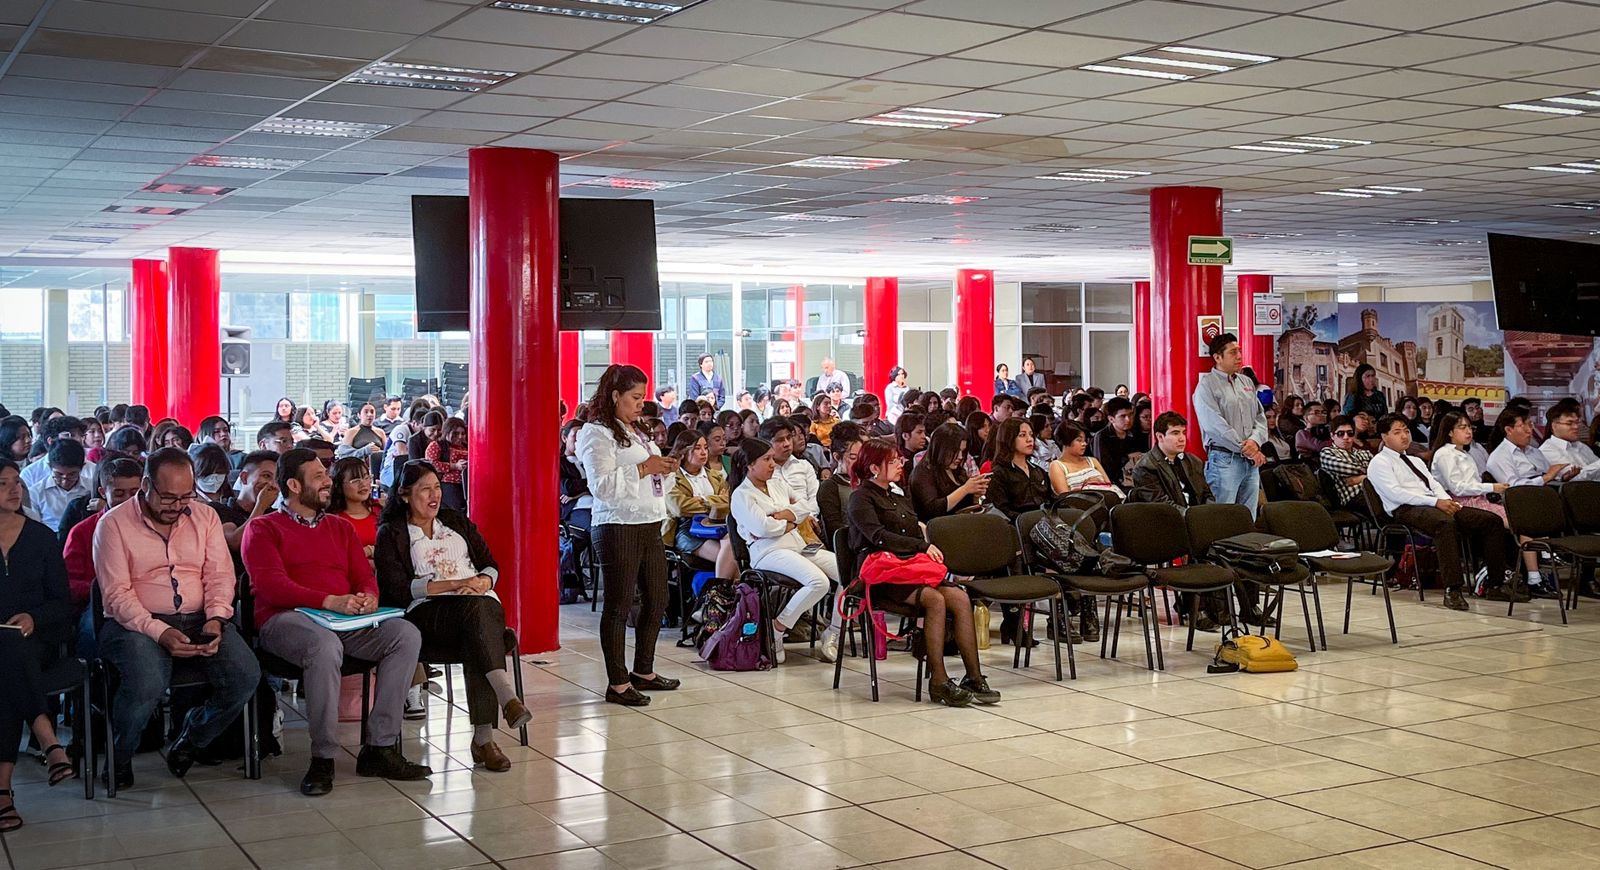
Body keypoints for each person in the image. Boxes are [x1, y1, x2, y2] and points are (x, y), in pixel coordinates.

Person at [242, 448, 431, 795]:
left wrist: (369, 596)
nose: (327, 482)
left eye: (326, 475)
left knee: (404, 634)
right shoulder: (263, 528)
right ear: (294, 486)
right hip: (286, 620)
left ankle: (380, 748)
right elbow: (271, 586)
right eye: (318, 477)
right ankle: (323, 756)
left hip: (342, 620)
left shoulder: (339, 527)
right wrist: (329, 601)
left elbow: (363, 576)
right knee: (323, 645)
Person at [93, 448, 260, 789]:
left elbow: (219, 575)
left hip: (200, 618)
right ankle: (119, 756)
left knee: (245, 676)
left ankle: (192, 739)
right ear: (146, 485)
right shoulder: (113, 524)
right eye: (168, 497)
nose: (178, 505)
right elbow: (116, 596)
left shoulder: (204, 516)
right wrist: (160, 632)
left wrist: (216, 618)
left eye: (186, 496)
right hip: (135, 623)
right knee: (147, 682)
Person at [375, 461, 528, 773]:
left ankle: (486, 737)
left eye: (437, 487)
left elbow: (490, 564)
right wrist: (453, 585)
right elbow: (395, 589)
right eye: (425, 490)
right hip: (428, 613)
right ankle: (499, 710)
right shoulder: (392, 533)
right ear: (404, 494)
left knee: (478, 623)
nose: (434, 495)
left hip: (478, 605)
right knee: (480, 622)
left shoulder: (455, 521)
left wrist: (482, 582)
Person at [846, 438, 995, 707]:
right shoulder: (860, 498)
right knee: (935, 600)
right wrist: (921, 546)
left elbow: (914, 530)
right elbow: (878, 537)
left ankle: (974, 676)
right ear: (874, 468)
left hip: (908, 568)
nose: (899, 464)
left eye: (898, 459)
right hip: (880, 575)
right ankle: (939, 680)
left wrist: (921, 546)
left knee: (960, 597)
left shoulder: (897, 494)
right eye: (891, 461)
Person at [576, 365, 681, 707]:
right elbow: (602, 486)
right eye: (635, 397)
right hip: (616, 525)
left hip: (649, 522)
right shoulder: (595, 433)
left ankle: (644, 670)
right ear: (615, 396)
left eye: (643, 397)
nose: (640, 404)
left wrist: (664, 470)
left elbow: (652, 479)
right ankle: (618, 683)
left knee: (658, 598)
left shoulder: (636, 431)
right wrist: (645, 467)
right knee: (619, 605)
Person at [0, 458, 79, 832]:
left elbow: (62, 602)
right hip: (15, 654)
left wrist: (34, 617)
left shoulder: (41, 537)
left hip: (36, 642)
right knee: (7, 655)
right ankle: (47, 737)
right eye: (2, 484)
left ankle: (2, 792)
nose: (14, 490)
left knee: (10, 657)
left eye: (17, 482)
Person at [1367, 415, 1506, 611]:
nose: (1404, 436)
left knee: (1491, 520)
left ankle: (1495, 583)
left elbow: (1434, 485)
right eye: (1397, 432)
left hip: (1432, 503)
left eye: (1406, 431)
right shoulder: (1379, 462)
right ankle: (1453, 589)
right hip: (1405, 508)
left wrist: (1446, 501)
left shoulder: (1415, 460)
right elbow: (1395, 494)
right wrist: (1435, 502)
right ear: (1384, 436)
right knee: (1444, 524)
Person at [729, 438, 843, 664]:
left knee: (847, 573)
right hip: (768, 552)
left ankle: (834, 632)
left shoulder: (777, 483)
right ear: (750, 465)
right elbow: (763, 528)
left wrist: (783, 516)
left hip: (799, 545)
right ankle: (777, 628)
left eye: (772, 458)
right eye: (766, 459)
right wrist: (791, 520)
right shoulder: (741, 495)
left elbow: (807, 506)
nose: (773, 464)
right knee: (819, 582)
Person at [1429, 411, 1528, 601]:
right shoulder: (1444, 454)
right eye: (1462, 427)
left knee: (1519, 521)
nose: (1468, 431)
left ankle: (1518, 574)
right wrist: (1491, 487)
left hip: (1477, 498)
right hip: (1458, 502)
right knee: (1501, 522)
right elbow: (1457, 487)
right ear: (1450, 432)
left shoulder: (1465, 453)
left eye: (1469, 427)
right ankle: (1497, 578)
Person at [64, 456, 144, 654]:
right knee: (91, 631)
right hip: (100, 605)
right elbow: (68, 583)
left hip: (149, 598)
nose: (127, 500)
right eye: (119, 493)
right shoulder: (82, 531)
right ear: (102, 492)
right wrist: (101, 588)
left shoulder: (155, 526)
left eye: (134, 493)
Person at [1193, 333, 1269, 518]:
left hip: (1250, 461)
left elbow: (1260, 417)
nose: (1239, 356)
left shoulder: (1246, 382)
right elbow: (1215, 426)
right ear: (1217, 357)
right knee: (1223, 517)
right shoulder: (1206, 386)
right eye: (1233, 352)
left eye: (1240, 351)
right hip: (1224, 460)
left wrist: (1255, 441)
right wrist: (1247, 449)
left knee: (1248, 516)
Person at [664, 431, 736, 581]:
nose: (703, 452)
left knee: (733, 545)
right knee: (730, 558)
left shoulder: (715, 476)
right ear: (683, 452)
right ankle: (727, 591)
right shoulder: (672, 477)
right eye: (697, 448)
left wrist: (703, 500)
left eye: (705, 447)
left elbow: (729, 502)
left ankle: (725, 591)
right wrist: (715, 502)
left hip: (716, 523)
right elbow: (680, 508)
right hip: (686, 528)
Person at [908, 421, 989, 522]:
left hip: (963, 522)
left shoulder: (957, 470)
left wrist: (976, 494)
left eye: (963, 451)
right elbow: (933, 509)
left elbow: (967, 505)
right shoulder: (922, 473)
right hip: (939, 526)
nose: (960, 456)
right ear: (941, 449)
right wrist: (965, 489)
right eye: (955, 451)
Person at [1131, 412, 1213, 507]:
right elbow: (1160, 505)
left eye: (1184, 433)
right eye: (1175, 433)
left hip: (1196, 513)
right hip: (1169, 515)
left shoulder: (1193, 461)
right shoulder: (1145, 468)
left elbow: (1206, 495)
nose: (1182, 438)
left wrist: (1209, 511)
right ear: (1160, 437)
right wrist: (1191, 514)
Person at [759, 417, 821, 529]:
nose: (787, 444)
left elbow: (814, 497)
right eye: (780, 440)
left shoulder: (804, 466)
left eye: (789, 437)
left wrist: (809, 517)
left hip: (809, 523)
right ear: (766, 443)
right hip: (778, 527)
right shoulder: (762, 473)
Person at [1488, 406, 1571, 488]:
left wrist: (1562, 478)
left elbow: (1548, 474)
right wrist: (1546, 478)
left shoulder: (1535, 451)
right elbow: (1513, 488)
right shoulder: (1499, 456)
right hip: (1525, 495)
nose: (1529, 431)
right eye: (1523, 426)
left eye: (1530, 425)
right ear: (1509, 430)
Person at [986, 417, 1050, 521]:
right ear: (1009, 438)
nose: (1030, 439)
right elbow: (1001, 511)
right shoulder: (999, 474)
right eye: (1022, 435)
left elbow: (1050, 500)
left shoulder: (1038, 470)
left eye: (1031, 435)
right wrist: (1027, 520)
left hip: (1045, 522)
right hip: (1018, 525)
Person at [27, 440, 91, 535]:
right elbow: (34, 528)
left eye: (72, 475)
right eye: (58, 474)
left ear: (82, 467)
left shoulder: (91, 487)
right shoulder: (36, 493)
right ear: (49, 467)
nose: (65, 481)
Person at [817, 421, 864, 545]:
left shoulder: (867, 481)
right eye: (853, 458)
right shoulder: (830, 487)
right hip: (852, 545)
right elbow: (835, 530)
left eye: (862, 457)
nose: (859, 462)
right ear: (837, 457)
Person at [1050, 421, 1120, 497]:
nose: (1084, 444)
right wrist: (1086, 487)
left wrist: (1098, 484)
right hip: (1078, 503)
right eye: (1079, 440)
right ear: (1066, 441)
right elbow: (1064, 497)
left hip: (1105, 499)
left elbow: (1109, 486)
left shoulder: (1092, 461)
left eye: (1085, 440)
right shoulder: (1057, 465)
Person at [329, 456, 380, 559]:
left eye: (366, 477)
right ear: (339, 485)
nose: (363, 484)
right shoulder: (333, 521)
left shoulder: (380, 509)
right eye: (355, 480)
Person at [1319, 416, 1374, 511]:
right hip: (1354, 497)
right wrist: (1372, 473)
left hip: (1376, 489)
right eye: (1340, 434)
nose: (1346, 437)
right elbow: (1346, 468)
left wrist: (1361, 478)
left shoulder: (1364, 453)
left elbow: (1381, 470)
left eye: (1350, 433)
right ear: (1332, 436)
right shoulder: (1327, 452)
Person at [1540, 399, 1600, 482]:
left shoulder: (1581, 446)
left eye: (1577, 422)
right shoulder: (1547, 450)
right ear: (1554, 426)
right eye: (1569, 423)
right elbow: (1574, 479)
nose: (1576, 427)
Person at [1091, 397, 1144, 487]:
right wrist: (1127, 457)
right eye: (1122, 416)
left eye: (1130, 415)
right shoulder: (1102, 436)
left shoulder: (1135, 434)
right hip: (1110, 483)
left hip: (1134, 481)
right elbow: (1103, 466)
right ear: (1111, 419)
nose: (1128, 419)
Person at [424, 417, 469, 512]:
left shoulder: (467, 446)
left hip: (467, 484)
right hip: (447, 484)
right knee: (458, 509)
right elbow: (431, 464)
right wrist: (454, 466)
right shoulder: (437, 445)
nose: (460, 437)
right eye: (456, 433)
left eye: (463, 433)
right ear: (446, 432)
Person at [559, 420, 592, 533]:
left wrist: (580, 493)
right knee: (596, 527)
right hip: (575, 509)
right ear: (565, 438)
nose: (579, 440)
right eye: (575, 436)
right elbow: (567, 488)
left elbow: (602, 484)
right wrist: (590, 484)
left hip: (597, 506)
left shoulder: (590, 461)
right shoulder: (559, 463)